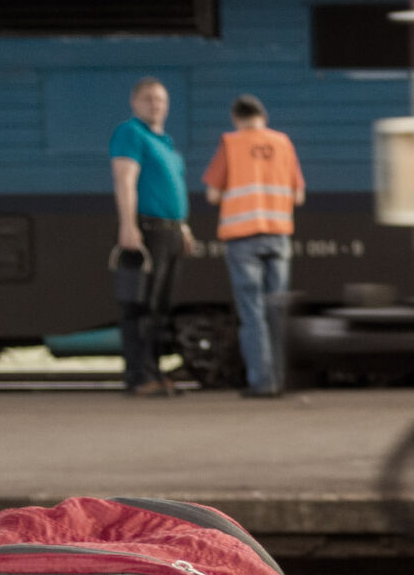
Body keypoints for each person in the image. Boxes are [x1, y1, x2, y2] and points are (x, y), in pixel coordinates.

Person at [202, 95, 305, 397]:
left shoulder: (230, 143)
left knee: (253, 312)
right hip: (278, 236)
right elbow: (298, 196)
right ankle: (281, 379)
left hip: (243, 237)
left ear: (236, 118)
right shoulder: (283, 143)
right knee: (278, 311)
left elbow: (211, 194)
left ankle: (262, 383)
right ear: (263, 116)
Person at [110, 77, 198, 398]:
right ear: (134, 103)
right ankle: (138, 375)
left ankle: (155, 371)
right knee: (140, 306)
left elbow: (171, 191)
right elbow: (125, 179)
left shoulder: (168, 144)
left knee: (161, 307)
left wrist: (183, 227)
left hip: (172, 232)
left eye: (160, 99)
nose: (155, 104)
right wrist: (128, 225)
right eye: (148, 99)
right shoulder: (130, 133)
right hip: (147, 231)